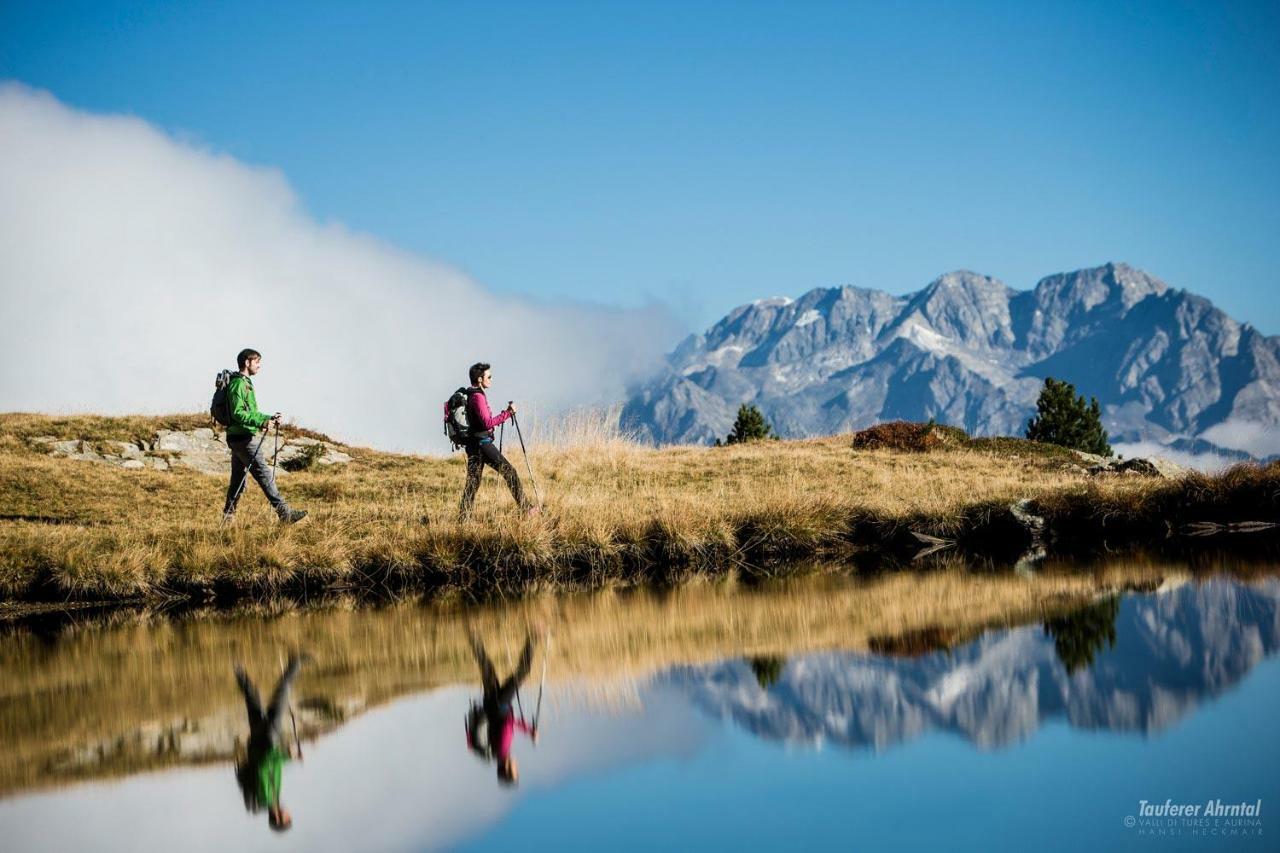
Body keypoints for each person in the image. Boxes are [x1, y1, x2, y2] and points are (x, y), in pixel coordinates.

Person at [222, 348, 307, 524]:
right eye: (257, 361)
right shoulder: (239, 384)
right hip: (244, 438)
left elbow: (250, 412)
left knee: (238, 481)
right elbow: (238, 413)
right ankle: (285, 513)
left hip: (238, 437)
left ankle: (227, 519)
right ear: (247, 362)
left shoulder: (244, 383)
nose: (259, 365)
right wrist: (261, 423)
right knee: (264, 475)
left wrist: (268, 418)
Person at [234, 654, 306, 832]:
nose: (289, 813)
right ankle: (235, 665)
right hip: (256, 744)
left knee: (281, 698)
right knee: (252, 699)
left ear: (279, 819)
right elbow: (267, 769)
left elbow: (264, 767)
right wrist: (288, 757)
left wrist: (289, 756)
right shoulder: (266, 799)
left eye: (288, 818)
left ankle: (295, 663)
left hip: (267, 741)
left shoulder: (270, 798)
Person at [458, 362, 534, 520]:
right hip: (482, 444)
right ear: (480, 379)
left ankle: (463, 519)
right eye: (489, 377)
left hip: (473, 445)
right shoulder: (477, 397)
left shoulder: (472, 394)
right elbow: (487, 423)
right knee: (510, 472)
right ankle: (526, 509)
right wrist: (507, 413)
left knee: (473, 482)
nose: (491, 379)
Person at [465, 630, 538, 786]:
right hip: (490, 703)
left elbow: (509, 723)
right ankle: (472, 633)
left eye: (515, 770)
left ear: (507, 768)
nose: (517, 767)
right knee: (486, 666)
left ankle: (535, 633)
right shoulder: (494, 753)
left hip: (501, 703)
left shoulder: (503, 748)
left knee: (523, 671)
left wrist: (529, 730)